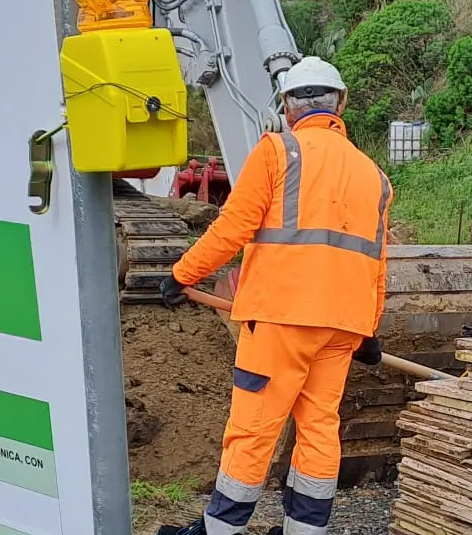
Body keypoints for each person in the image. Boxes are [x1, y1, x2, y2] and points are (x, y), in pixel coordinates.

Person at [157, 56, 393, 535]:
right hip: (342, 325)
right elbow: (378, 263)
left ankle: (221, 530)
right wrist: (368, 330)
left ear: (287, 106)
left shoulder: (278, 151)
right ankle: (304, 531)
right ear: (340, 103)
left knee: (254, 428)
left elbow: (233, 227)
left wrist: (183, 274)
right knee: (320, 428)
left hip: (281, 319)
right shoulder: (375, 175)